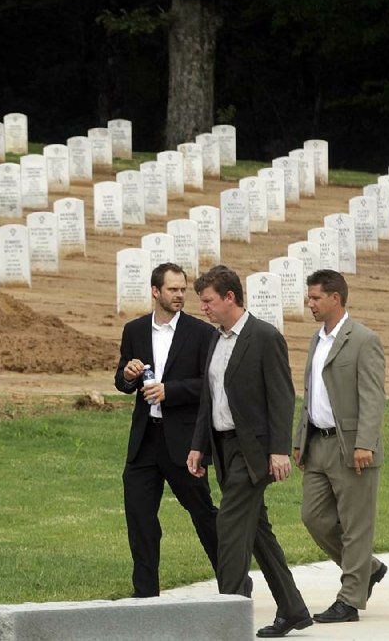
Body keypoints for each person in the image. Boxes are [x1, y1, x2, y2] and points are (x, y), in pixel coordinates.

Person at [187, 266, 311, 639]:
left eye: (208, 301)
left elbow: (282, 395)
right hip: (224, 450)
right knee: (257, 532)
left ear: (230, 297)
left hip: (253, 451)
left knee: (228, 527)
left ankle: (228, 615)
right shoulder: (215, 339)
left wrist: (279, 450)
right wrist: (199, 446)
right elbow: (210, 398)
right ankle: (292, 609)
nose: (203, 308)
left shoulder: (264, 337)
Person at [114, 262, 218, 598]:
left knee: (203, 513)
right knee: (141, 520)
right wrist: (128, 375)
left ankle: (233, 584)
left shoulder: (201, 333)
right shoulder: (135, 330)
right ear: (155, 292)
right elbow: (122, 381)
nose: (179, 296)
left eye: (183, 290)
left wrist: (170, 391)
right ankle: (146, 595)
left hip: (184, 441)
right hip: (145, 440)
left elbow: (210, 384)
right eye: (172, 289)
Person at [293, 269, 387, 623]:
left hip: (353, 448)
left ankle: (350, 600)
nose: (310, 303)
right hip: (317, 444)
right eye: (309, 297)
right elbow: (310, 396)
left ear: (336, 298)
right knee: (313, 517)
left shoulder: (364, 339)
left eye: (316, 297)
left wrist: (365, 443)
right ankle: (370, 568)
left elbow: (373, 398)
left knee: (355, 526)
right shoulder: (317, 340)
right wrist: (300, 441)